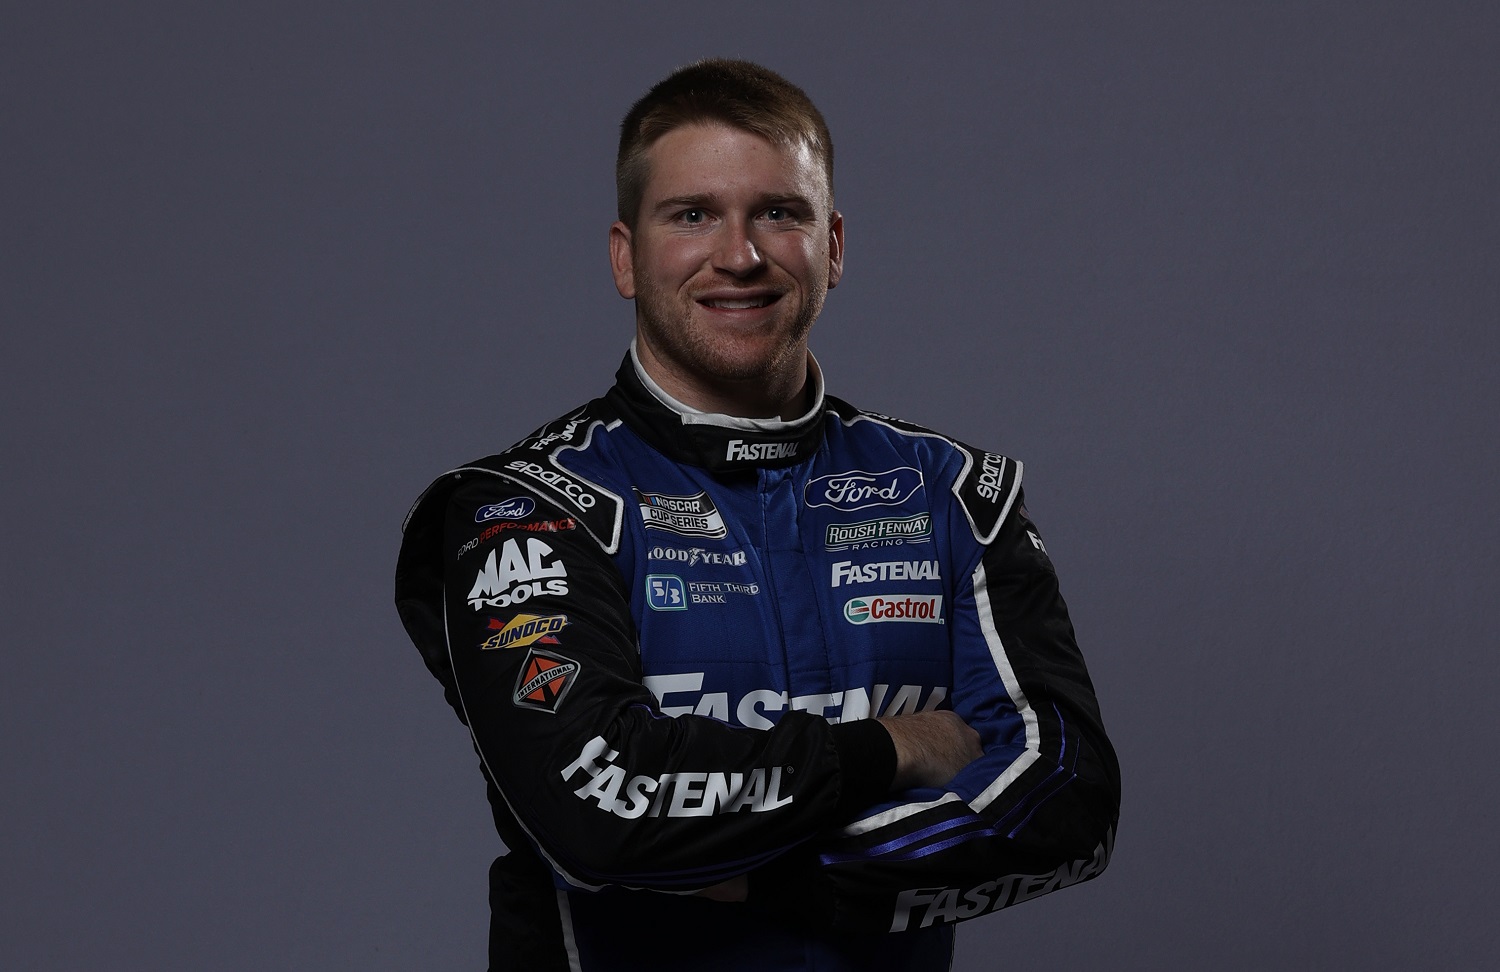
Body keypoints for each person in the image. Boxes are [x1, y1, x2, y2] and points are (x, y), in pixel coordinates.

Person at [394, 58, 1120, 972]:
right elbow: (600, 803)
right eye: (692, 214)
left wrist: (781, 886)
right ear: (625, 256)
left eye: (780, 213)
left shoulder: (950, 493)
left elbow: (1066, 796)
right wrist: (891, 750)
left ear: (836, 246)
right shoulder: (526, 508)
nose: (739, 254)